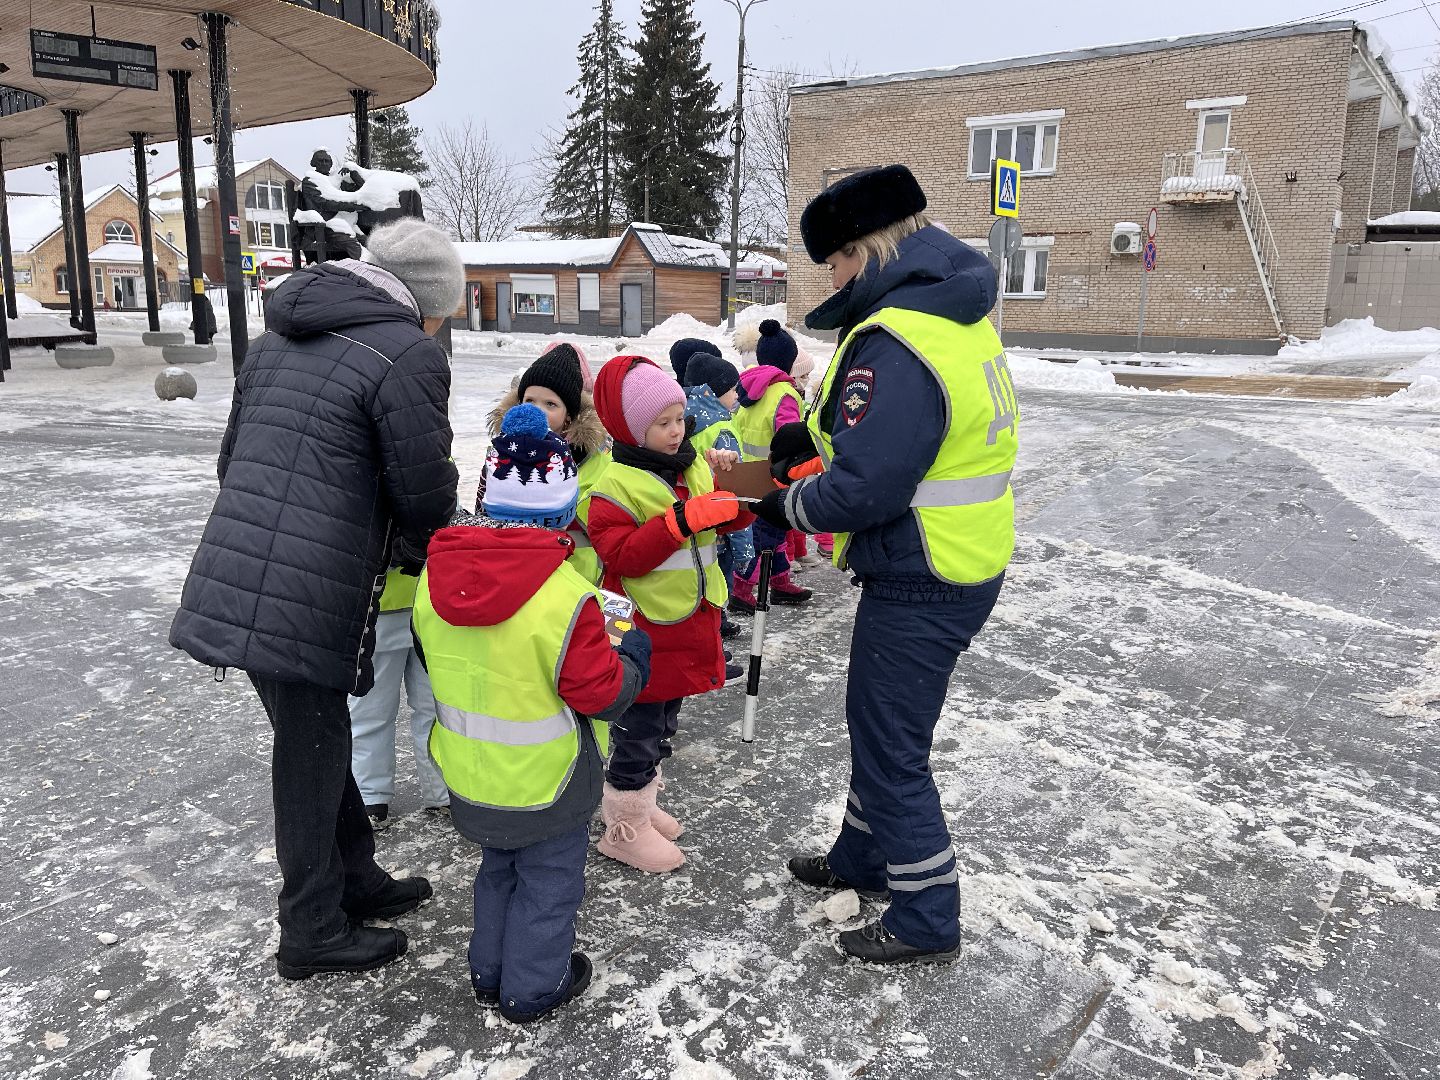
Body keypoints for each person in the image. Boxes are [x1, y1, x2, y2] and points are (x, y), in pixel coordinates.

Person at [169, 218, 466, 980]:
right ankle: (310, 927)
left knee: (319, 735)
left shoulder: (275, 341)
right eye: (447, 313)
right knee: (308, 755)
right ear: (429, 301)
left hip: (243, 567)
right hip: (311, 582)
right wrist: (431, 548)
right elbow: (423, 492)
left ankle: (354, 879)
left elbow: (231, 460)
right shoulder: (408, 352)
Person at [754, 164, 1018, 964]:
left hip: (922, 575)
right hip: (958, 559)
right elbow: (901, 438)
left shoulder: (898, 338)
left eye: (835, 263)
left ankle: (926, 917)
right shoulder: (952, 312)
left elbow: (867, 486)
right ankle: (863, 859)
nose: (833, 280)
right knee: (882, 729)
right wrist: (809, 441)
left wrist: (784, 506)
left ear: (865, 251)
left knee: (892, 750)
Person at [412, 404, 652, 1024]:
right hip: (549, 782)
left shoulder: (432, 581)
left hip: (470, 774)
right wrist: (632, 656)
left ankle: (489, 971)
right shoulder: (566, 597)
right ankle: (533, 987)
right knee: (548, 884)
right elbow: (600, 694)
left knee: (498, 870)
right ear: (564, 514)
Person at [586, 356, 752, 872]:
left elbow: (721, 518)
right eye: (663, 423)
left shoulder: (690, 464)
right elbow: (621, 555)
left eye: (679, 418)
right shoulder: (613, 486)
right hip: (643, 629)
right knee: (638, 729)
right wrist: (679, 521)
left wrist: (742, 491)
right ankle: (623, 826)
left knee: (663, 723)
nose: (677, 431)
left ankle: (642, 804)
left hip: (686, 622)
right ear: (633, 429)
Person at [476, 343, 608, 584]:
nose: (538, 412)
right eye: (530, 401)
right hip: (510, 573)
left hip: (575, 576)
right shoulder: (501, 452)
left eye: (550, 404)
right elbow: (482, 510)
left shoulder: (593, 459)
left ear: (569, 416)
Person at [348, 562, 449, 829]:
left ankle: (441, 789)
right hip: (380, 603)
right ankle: (370, 795)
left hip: (432, 598)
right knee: (372, 708)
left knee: (436, 707)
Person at [732, 319, 812, 610]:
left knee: (772, 533)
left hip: (745, 474)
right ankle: (741, 592)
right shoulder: (784, 393)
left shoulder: (749, 389)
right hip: (773, 476)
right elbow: (788, 437)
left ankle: (780, 582)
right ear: (789, 362)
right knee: (765, 536)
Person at [682, 352, 753, 643]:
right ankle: (715, 627)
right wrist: (744, 547)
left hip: (693, 518)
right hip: (721, 523)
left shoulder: (683, 419)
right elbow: (734, 491)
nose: (737, 395)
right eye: (732, 389)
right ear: (714, 392)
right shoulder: (721, 430)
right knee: (718, 579)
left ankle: (707, 624)